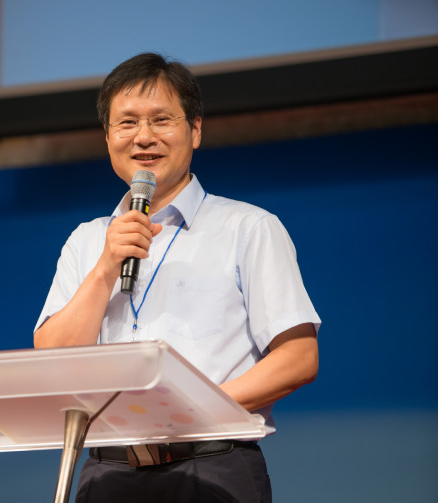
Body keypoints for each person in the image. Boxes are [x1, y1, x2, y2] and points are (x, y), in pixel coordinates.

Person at [34, 53, 320, 503]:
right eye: (127, 123)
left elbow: (298, 358)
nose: (143, 136)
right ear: (107, 137)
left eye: (161, 119)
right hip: (105, 474)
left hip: (211, 468)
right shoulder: (87, 241)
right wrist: (106, 268)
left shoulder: (248, 228)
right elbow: (51, 362)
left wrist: (190, 409)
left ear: (195, 130)